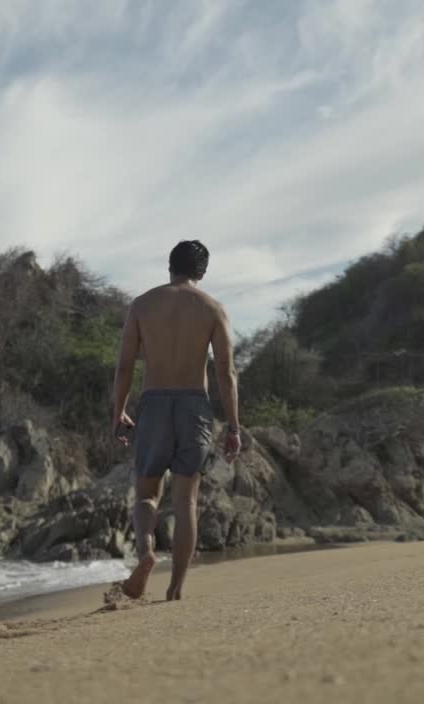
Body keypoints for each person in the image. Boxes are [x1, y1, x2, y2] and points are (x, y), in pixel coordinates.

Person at [111, 240, 241, 601]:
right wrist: (233, 426)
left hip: (153, 404)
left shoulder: (143, 305)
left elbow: (124, 366)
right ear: (202, 271)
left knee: (147, 493)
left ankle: (146, 551)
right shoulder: (213, 309)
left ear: (169, 265)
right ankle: (175, 589)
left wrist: (119, 411)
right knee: (186, 502)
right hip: (194, 407)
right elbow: (226, 372)